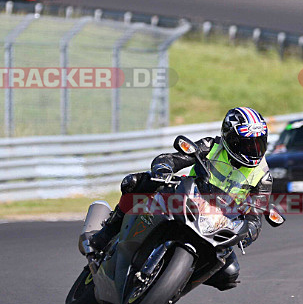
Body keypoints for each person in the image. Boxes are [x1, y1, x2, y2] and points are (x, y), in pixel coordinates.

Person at [88, 106, 272, 291]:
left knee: (229, 274)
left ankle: (174, 286)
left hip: (220, 221)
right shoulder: (211, 146)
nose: (253, 149)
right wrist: (163, 169)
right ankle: (107, 233)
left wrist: (248, 233)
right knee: (134, 183)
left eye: (259, 143)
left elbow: (255, 216)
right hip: (189, 196)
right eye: (247, 144)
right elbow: (171, 158)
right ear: (230, 138)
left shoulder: (263, 176)